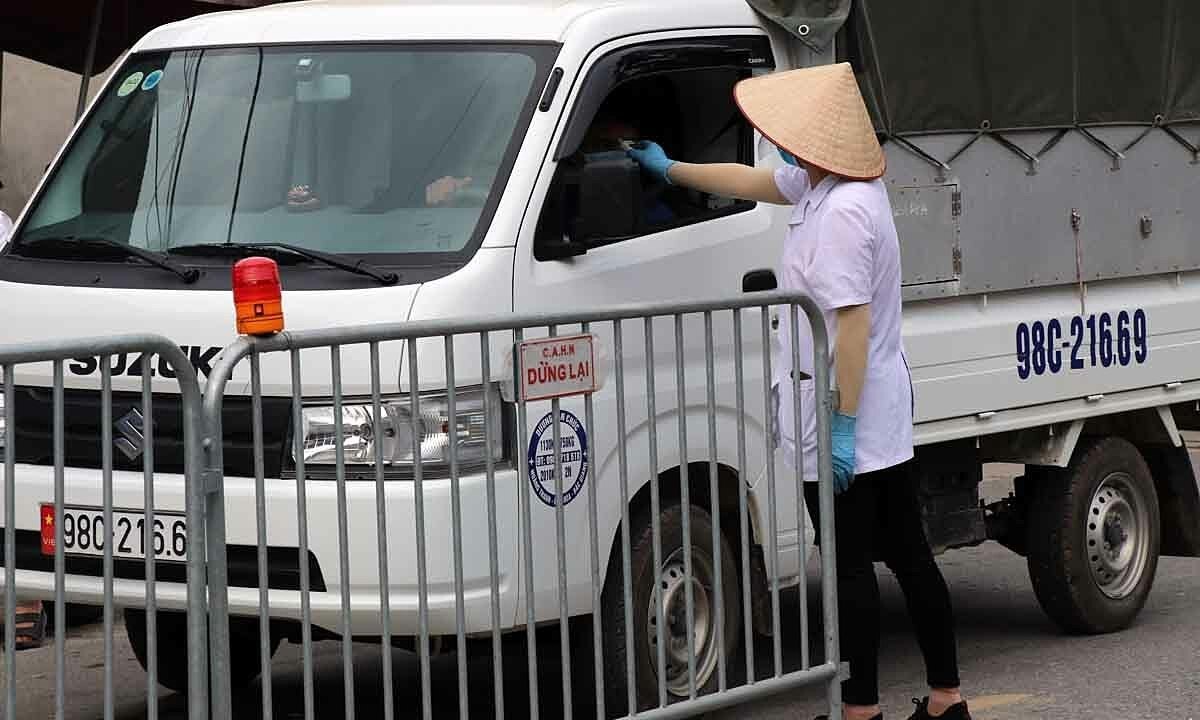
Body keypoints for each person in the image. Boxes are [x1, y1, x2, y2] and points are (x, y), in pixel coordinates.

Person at [627, 63, 971, 720]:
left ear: (813, 143)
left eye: (785, 136)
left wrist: (840, 425)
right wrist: (673, 169)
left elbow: (851, 325)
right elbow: (753, 181)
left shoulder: (842, 213)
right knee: (908, 554)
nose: (775, 145)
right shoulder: (834, 187)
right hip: (877, 410)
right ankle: (947, 701)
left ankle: (861, 712)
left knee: (848, 568)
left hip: (849, 411)